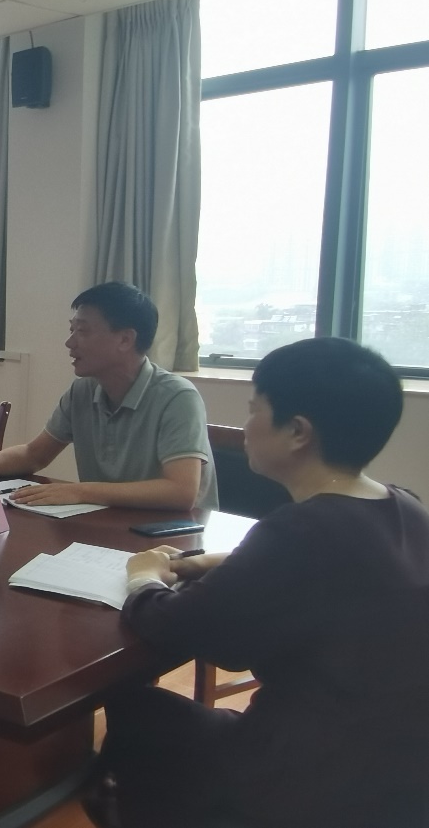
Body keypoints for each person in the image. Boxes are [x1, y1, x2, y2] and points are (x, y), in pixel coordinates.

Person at [83, 337, 429, 828]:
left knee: (134, 707)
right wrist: (213, 562)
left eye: (253, 410)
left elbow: (181, 627)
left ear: (297, 432)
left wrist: (143, 578)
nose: (245, 426)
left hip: (307, 780)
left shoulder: (298, 530)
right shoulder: (405, 506)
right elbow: (337, 565)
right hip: (397, 777)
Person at [0, 282, 217, 509]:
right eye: (71, 329)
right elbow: (33, 455)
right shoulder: (83, 391)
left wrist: (79, 491)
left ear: (125, 339)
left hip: (174, 536)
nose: (69, 342)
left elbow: (181, 491)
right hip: (106, 522)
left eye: (82, 331)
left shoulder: (177, 397)